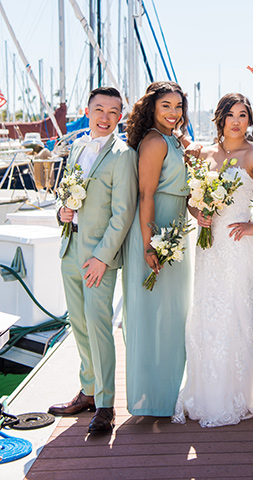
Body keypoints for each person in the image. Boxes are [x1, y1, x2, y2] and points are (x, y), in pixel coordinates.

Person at [172, 93, 253, 428]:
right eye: (231, 115)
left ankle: (233, 396)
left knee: (234, 314)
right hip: (208, 246)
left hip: (239, 247)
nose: (237, 121)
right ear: (219, 118)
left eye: (243, 115)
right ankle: (203, 393)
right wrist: (199, 212)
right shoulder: (201, 153)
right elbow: (191, 198)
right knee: (205, 314)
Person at [48, 87, 138, 433]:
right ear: (87, 111)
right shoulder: (78, 148)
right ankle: (87, 391)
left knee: (99, 328)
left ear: (120, 116)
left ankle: (105, 404)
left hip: (97, 258)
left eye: (113, 111)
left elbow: (123, 212)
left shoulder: (123, 154)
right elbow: (67, 196)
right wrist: (62, 211)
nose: (105, 117)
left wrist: (103, 256)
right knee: (79, 326)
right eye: (98, 109)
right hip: (70, 250)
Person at [122, 81, 191, 417]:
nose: (174, 113)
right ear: (152, 107)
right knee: (152, 316)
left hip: (174, 232)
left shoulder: (171, 140)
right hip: (156, 232)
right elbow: (146, 196)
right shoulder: (153, 141)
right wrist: (149, 245)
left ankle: (166, 391)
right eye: (167, 106)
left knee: (172, 315)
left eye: (178, 107)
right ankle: (151, 398)